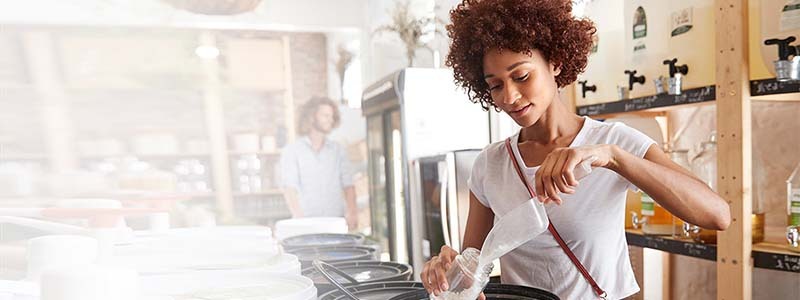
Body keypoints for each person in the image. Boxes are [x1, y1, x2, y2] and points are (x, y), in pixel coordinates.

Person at [421, 1, 731, 299]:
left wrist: (613, 158)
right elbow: (472, 273)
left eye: (522, 76)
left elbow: (717, 215)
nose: (510, 97)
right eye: (496, 85)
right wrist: (448, 271)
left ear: (554, 63)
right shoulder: (490, 164)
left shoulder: (612, 142)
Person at [279, 96, 358, 230]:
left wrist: (352, 212)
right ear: (311, 117)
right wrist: (298, 218)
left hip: (336, 223)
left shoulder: (338, 150)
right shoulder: (292, 151)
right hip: (306, 224)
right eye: (325, 115)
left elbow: (348, 185)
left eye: (332, 116)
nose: (330, 120)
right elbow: (289, 188)